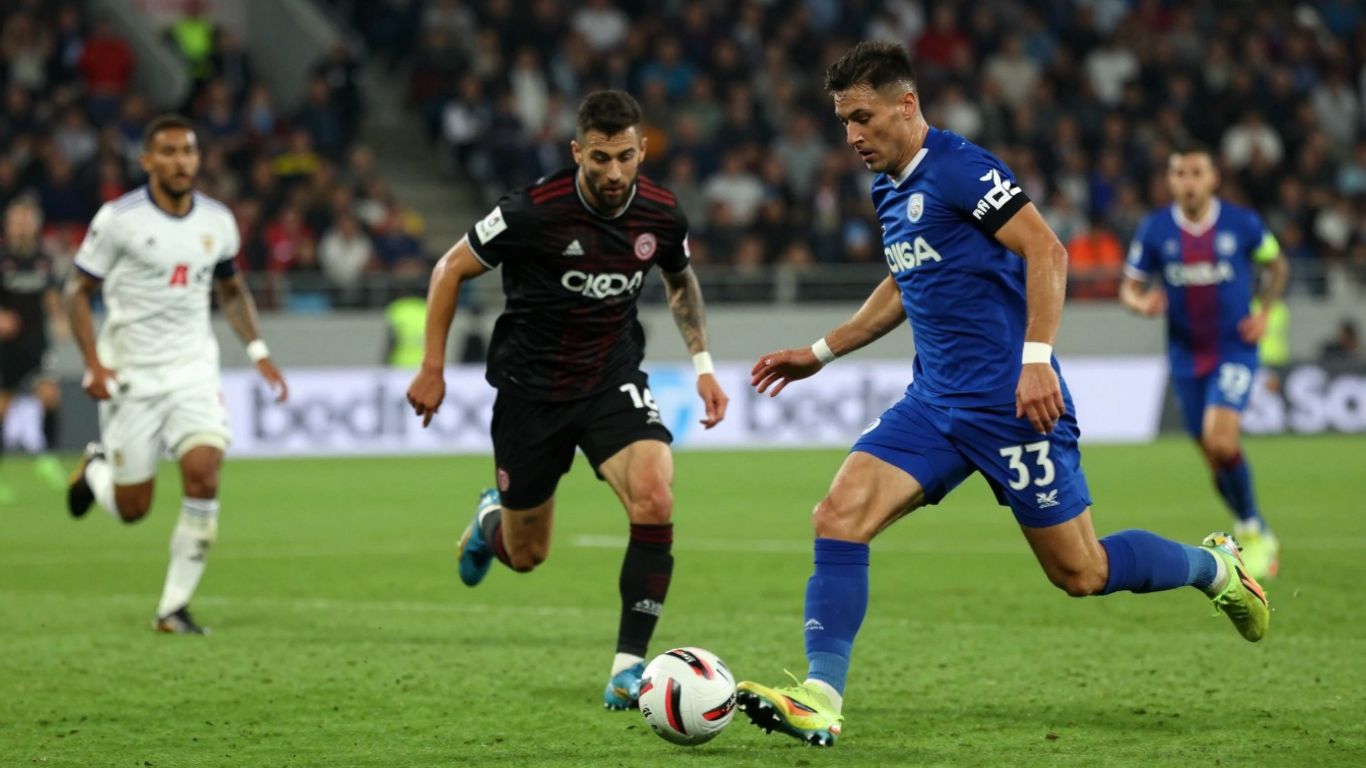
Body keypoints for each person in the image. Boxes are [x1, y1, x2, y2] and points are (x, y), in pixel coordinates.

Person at [734, 42, 1269, 748]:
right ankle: (821, 697)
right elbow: (905, 281)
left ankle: (1216, 567)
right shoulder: (888, 186)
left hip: (1013, 407)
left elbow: (1047, 249)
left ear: (907, 104)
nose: (852, 137)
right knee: (837, 515)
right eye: (842, 122)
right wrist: (822, 352)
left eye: (862, 117)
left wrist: (1037, 359)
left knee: (1082, 572)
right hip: (933, 406)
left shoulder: (962, 168)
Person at [406, 91, 728, 710]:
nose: (614, 173)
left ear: (642, 151)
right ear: (578, 150)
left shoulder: (661, 212)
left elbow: (679, 278)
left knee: (656, 495)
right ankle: (489, 520)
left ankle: (628, 669)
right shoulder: (532, 211)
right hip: (531, 393)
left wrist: (704, 365)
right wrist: (432, 366)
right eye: (601, 158)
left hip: (611, 378)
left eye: (627, 157)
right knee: (527, 555)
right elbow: (449, 268)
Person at [65, 114, 289, 635]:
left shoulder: (218, 221)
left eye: (187, 151)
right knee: (131, 508)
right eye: (167, 152)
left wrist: (258, 350)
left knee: (204, 471)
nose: (180, 161)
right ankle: (96, 468)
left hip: (192, 369)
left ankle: (172, 609)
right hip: (131, 376)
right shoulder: (118, 220)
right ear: (147, 161)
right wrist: (94, 365)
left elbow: (231, 289)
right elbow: (75, 291)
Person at [1120, 143, 1290, 581]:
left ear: (1214, 178)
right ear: (1170, 180)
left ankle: (1253, 528)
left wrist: (1264, 311)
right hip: (1185, 357)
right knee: (1213, 458)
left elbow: (1277, 266)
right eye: (1180, 173)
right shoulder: (1156, 229)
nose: (1188, 181)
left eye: (1197, 172)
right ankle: (1249, 524)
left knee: (1221, 441)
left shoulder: (1243, 224)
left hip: (1233, 348)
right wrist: (1141, 304)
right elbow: (1129, 286)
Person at [0, 197, 69, 501]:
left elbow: (51, 292)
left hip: (36, 342)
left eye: (27, 221)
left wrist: (59, 318)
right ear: (8, 225)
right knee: (2, 408)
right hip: (5, 348)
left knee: (50, 396)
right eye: (17, 221)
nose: (22, 227)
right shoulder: (2, 258)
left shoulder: (44, 258)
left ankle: (48, 459)